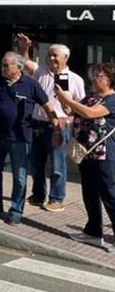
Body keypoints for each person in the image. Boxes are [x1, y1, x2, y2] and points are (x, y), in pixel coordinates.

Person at [0, 52, 59, 225]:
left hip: (20, 138)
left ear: (18, 67)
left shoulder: (30, 84)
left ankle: (15, 210)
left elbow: (47, 105)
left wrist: (56, 126)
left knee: (19, 176)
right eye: (2, 64)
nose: (3, 68)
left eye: (6, 65)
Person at [17, 36, 86, 212]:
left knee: (57, 165)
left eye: (55, 55)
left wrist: (68, 120)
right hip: (37, 124)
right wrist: (24, 47)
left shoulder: (75, 79)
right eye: (49, 55)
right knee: (36, 164)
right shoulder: (41, 71)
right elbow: (24, 62)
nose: (51, 58)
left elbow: (80, 106)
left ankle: (57, 198)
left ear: (65, 58)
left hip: (58, 127)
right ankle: (38, 195)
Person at [55, 63, 115, 248]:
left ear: (110, 79)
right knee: (89, 193)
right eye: (95, 74)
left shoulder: (112, 99)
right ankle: (93, 231)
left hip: (104, 153)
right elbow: (72, 111)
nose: (95, 78)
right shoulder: (91, 96)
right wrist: (64, 100)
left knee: (110, 194)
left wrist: (68, 99)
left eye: (100, 75)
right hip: (86, 152)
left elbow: (90, 113)